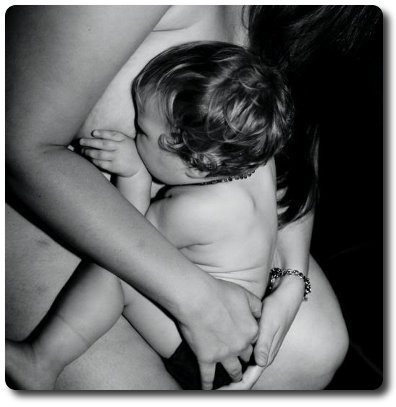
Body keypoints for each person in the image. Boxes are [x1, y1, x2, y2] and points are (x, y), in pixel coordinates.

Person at [6, 5, 354, 390]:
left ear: (196, 164)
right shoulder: (248, 167)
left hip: (202, 327)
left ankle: (43, 357)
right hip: (64, 202)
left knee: (113, 281)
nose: (136, 135)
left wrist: (293, 276)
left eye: (142, 131)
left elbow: (136, 227)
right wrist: (197, 298)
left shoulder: (193, 211)